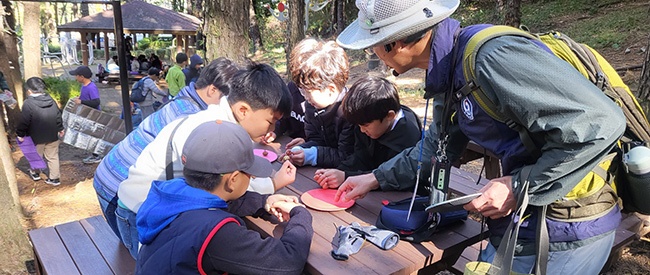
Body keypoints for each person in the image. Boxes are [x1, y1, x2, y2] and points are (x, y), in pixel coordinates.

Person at [335, 1, 626, 274]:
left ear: (394, 43)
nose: (373, 54)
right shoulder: (449, 69)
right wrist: (374, 178)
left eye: (373, 47)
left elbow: (602, 124)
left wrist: (518, 186)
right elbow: (438, 147)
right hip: (525, 220)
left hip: (569, 225)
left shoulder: (492, 58)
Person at [117, 62, 293, 257]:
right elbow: (226, 185)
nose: (272, 129)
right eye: (271, 121)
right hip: (140, 212)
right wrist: (272, 184)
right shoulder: (215, 132)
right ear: (243, 110)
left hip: (153, 207)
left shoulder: (218, 121)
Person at [93, 58, 239, 244]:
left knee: (130, 247)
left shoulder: (184, 99)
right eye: (228, 101)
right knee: (137, 252)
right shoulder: (192, 117)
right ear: (212, 90)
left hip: (111, 170)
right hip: (119, 184)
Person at [135, 120, 312, 275]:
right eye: (250, 174)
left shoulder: (172, 191)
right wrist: (301, 215)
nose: (253, 177)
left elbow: (213, 205)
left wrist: (264, 202)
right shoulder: (218, 233)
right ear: (233, 179)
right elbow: (288, 262)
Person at [314, 76, 421, 189]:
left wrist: (346, 176)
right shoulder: (367, 119)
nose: (361, 130)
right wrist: (338, 172)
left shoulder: (408, 136)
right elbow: (360, 157)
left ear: (390, 116)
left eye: (365, 125)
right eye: (358, 125)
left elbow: (395, 177)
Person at [281, 38, 355, 168]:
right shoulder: (312, 106)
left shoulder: (349, 113)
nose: (305, 98)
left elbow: (347, 156)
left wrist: (312, 155)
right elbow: (316, 139)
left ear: (330, 90)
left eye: (308, 92)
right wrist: (301, 150)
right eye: (302, 91)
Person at [16, 77, 65, 185]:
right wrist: (60, 128)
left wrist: (20, 134)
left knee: (36, 156)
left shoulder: (28, 103)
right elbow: (58, 115)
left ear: (28, 91)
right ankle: (54, 178)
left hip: (36, 137)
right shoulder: (50, 99)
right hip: (52, 134)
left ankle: (36, 173)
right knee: (52, 157)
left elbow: (24, 121)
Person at [70, 65, 104, 164]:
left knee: (94, 135)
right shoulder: (84, 86)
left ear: (82, 77)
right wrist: (79, 98)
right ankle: (94, 154)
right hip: (88, 114)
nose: (75, 77)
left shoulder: (91, 87)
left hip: (94, 115)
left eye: (76, 75)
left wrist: (81, 102)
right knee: (90, 135)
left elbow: (96, 102)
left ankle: (97, 155)